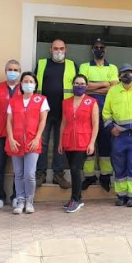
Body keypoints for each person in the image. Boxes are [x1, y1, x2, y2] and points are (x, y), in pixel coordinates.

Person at [103, 64, 132, 207]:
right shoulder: (113, 91)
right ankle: (121, 195)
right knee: (119, 165)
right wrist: (111, 127)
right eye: (123, 73)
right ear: (119, 76)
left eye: (128, 73)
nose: (126, 75)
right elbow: (106, 113)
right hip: (119, 136)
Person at [34, 39, 76, 188]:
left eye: (61, 48)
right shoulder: (41, 64)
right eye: (56, 48)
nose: (59, 51)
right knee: (42, 143)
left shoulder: (72, 65)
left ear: (66, 49)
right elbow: (33, 85)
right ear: (50, 50)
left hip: (64, 112)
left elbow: (77, 87)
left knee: (61, 144)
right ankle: (41, 173)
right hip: (43, 111)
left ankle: (59, 174)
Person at [6, 72, 49, 214]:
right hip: (16, 142)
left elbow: (43, 121)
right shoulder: (14, 101)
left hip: (32, 142)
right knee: (18, 173)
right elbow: (9, 121)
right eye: (26, 81)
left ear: (35, 84)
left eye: (31, 81)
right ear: (21, 84)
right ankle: (20, 200)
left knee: (29, 173)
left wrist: (37, 138)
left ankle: (29, 200)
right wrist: (11, 138)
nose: (28, 84)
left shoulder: (41, 100)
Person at [78, 39, 118, 191]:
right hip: (87, 111)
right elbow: (83, 87)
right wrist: (104, 84)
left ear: (105, 50)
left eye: (101, 47)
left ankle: (105, 177)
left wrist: (92, 87)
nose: (99, 49)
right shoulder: (84, 66)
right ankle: (89, 176)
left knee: (105, 145)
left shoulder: (112, 67)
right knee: (88, 144)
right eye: (96, 47)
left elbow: (113, 88)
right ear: (92, 49)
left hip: (106, 112)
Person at [58, 74, 99, 213]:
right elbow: (63, 123)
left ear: (86, 86)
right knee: (73, 169)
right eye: (76, 83)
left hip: (83, 141)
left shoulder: (92, 102)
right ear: (72, 85)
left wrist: (92, 143)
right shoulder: (66, 102)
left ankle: (75, 199)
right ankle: (78, 198)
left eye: (82, 84)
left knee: (76, 170)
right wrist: (60, 142)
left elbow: (95, 125)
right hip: (69, 141)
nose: (79, 86)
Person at [0, 60, 21, 208]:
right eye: (10, 69)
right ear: (5, 70)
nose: (12, 72)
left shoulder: (24, 89)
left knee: (17, 168)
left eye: (16, 70)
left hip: (17, 134)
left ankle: (16, 195)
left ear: (20, 72)